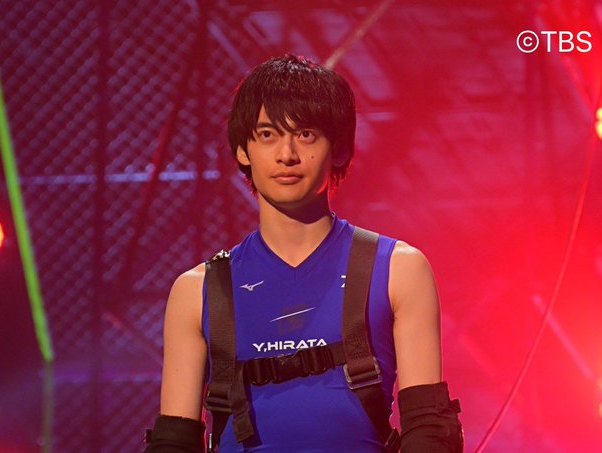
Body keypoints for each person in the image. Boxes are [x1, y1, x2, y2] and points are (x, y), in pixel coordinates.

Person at [144, 54, 463, 452]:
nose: (287, 154)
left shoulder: (398, 269)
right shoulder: (198, 291)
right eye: (267, 134)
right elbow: (174, 442)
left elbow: (429, 429)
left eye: (306, 134)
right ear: (242, 150)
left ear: (340, 149)